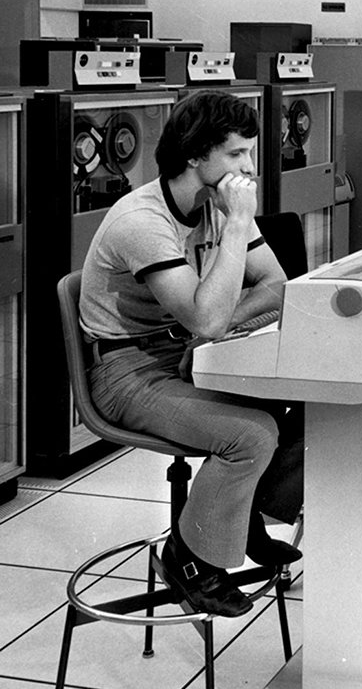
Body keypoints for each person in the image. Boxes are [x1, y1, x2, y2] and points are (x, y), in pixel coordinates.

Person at [79, 90, 303, 617]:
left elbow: (277, 284)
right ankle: (188, 557)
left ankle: (239, 515)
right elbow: (206, 315)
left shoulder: (215, 206)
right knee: (250, 434)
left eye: (249, 152)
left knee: (311, 398)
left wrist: (209, 332)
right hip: (127, 370)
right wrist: (238, 230)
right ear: (195, 154)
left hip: (186, 353)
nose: (248, 168)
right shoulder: (143, 221)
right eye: (236, 154)